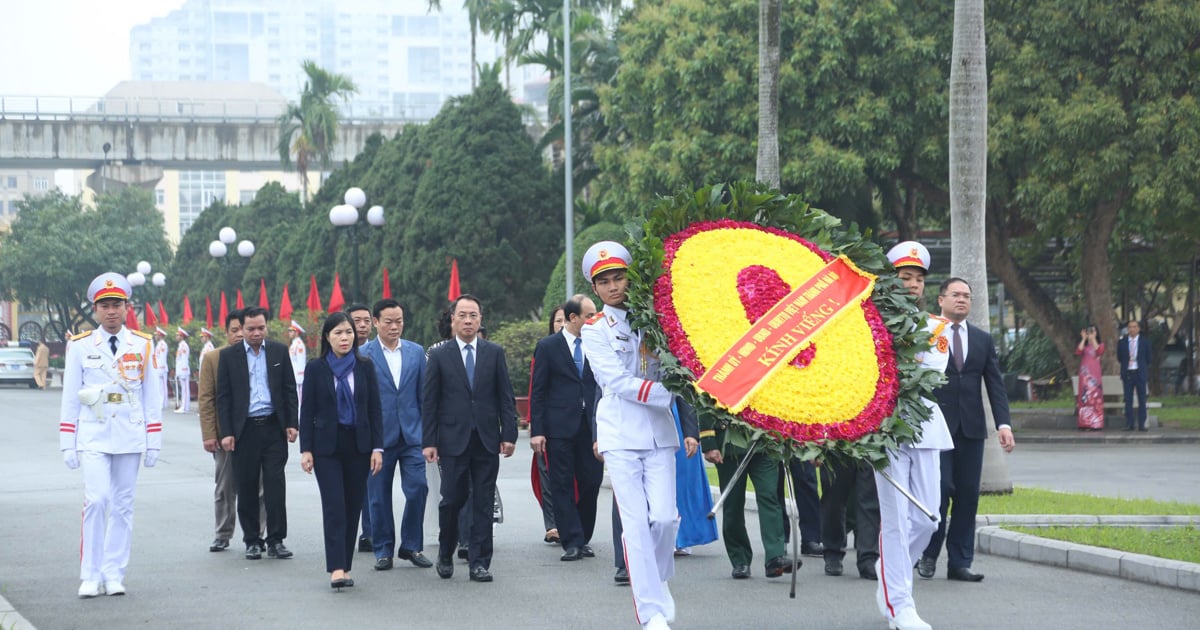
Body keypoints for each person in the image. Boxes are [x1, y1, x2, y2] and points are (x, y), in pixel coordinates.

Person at [580, 241, 679, 630]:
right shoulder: (595, 329)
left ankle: (657, 580)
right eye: (604, 281)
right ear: (595, 288)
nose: (613, 286)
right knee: (636, 524)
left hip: (658, 433)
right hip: (621, 432)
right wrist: (669, 393)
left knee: (666, 520)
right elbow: (615, 380)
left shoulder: (657, 317)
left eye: (619, 277)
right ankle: (651, 612)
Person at [59, 272, 163, 598]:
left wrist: (153, 440)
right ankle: (89, 574)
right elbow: (70, 395)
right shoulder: (79, 346)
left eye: (116, 304)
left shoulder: (143, 344)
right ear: (95, 309)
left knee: (122, 505)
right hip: (93, 434)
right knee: (97, 500)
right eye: (104, 305)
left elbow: (152, 397)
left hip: (130, 435)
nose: (111, 311)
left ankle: (113, 572)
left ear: (126, 306)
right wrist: (68, 442)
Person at [873, 241, 955, 630]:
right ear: (891, 280)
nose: (913, 284)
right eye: (905, 277)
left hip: (921, 423)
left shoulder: (937, 328)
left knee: (928, 519)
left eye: (919, 279)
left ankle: (889, 564)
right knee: (896, 521)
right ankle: (900, 606)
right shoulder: (869, 321)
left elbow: (928, 373)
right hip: (885, 430)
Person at [919, 278, 1015, 583]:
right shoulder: (927, 334)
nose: (962, 300)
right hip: (936, 428)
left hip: (971, 429)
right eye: (956, 295)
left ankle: (960, 562)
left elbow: (995, 385)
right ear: (941, 300)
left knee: (967, 496)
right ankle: (928, 554)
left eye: (967, 296)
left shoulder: (982, 340)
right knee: (940, 490)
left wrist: (1003, 424)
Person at [423, 295, 518, 583]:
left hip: (487, 439)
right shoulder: (440, 355)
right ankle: (445, 551)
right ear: (452, 319)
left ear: (480, 319)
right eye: (462, 315)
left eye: (473, 315)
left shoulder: (494, 353)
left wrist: (509, 434)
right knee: (452, 499)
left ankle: (479, 562)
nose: (467, 320)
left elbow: (505, 397)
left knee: (483, 501)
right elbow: (430, 401)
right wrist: (429, 441)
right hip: (452, 440)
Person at [299, 312, 384, 590]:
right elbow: (307, 410)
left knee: (352, 507)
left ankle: (345, 565)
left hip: (358, 446)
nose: (345, 337)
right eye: (338, 333)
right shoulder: (316, 368)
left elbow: (374, 410)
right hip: (326, 449)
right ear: (327, 337)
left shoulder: (365, 366)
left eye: (348, 332)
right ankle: (335, 568)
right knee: (334, 506)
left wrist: (377, 447)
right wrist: (306, 449)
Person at [216, 306, 299, 560]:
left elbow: (288, 389)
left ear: (267, 326)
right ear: (242, 328)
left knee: (275, 485)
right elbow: (224, 397)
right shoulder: (229, 357)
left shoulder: (278, 351)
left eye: (261, 328)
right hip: (245, 430)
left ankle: (276, 539)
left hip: (273, 427)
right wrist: (227, 432)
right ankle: (252, 539)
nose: (256, 333)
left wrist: (291, 423)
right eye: (250, 329)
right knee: (247, 486)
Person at [362, 299, 432, 571]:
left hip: (412, 435)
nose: (394, 326)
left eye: (399, 321)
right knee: (378, 497)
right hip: (378, 440)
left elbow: (424, 396)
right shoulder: (363, 354)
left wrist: (428, 434)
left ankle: (411, 546)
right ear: (375, 322)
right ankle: (383, 549)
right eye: (388, 322)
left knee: (418, 489)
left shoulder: (416, 352)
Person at [530, 295, 602, 562]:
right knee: (561, 483)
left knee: (591, 481)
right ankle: (571, 541)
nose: (594, 319)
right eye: (589, 315)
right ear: (573, 318)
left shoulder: (597, 344)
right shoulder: (548, 346)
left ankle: (584, 535)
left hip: (591, 426)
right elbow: (538, 391)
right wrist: (537, 430)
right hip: (559, 427)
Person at [198, 309, 266, 552]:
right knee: (225, 486)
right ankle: (223, 533)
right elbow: (206, 399)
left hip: (254, 430)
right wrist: (209, 434)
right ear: (226, 333)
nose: (239, 335)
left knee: (259, 486)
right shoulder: (215, 358)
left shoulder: (262, 355)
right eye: (234, 330)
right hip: (225, 433)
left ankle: (257, 534)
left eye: (243, 329)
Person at [701, 407, 789, 580]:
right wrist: (709, 442)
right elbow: (705, 396)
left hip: (765, 440)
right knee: (733, 503)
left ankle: (775, 556)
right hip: (731, 442)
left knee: (769, 496)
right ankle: (740, 559)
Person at [531, 304, 566, 546]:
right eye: (558, 321)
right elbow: (536, 390)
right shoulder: (544, 349)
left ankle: (571, 525)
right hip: (547, 425)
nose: (562, 325)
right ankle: (552, 524)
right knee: (547, 475)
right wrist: (537, 428)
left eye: (566, 320)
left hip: (575, 425)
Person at [819, 456, 880, 580]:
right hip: (836, 443)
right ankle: (832, 550)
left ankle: (868, 557)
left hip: (870, 443)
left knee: (870, 499)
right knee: (833, 496)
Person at [347, 302, 376, 552]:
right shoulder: (339, 353)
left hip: (370, 428)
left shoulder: (375, 354)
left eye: (366, 320)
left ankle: (370, 532)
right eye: (357, 321)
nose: (363, 325)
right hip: (345, 429)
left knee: (370, 482)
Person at [1117, 319, 1151, 432]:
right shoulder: (1122, 342)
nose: (1132, 329)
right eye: (1130, 327)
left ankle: (1142, 424)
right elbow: (1120, 357)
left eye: (1135, 327)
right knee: (1128, 399)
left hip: (1140, 372)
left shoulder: (1144, 341)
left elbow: (1148, 358)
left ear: (1138, 328)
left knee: (1142, 399)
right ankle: (1129, 423)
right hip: (1128, 372)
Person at [1076, 325, 1105, 431]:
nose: (1091, 333)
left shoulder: (1100, 345)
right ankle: (1084, 423)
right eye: (1089, 331)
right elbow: (1079, 351)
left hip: (1095, 376)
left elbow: (1099, 351)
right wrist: (1084, 338)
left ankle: (1096, 423)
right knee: (1084, 397)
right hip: (1085, 375)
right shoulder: (1085, 347)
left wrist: (1093, 339)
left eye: (1093, 331)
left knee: (1095, 398)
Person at [288, 321, 307, 409]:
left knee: (300, 399)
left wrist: (300, 377)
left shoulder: (299, 345)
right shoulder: (294, 344)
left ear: (296, 332)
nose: (289, 333)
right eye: (289, 331)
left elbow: (301, 361)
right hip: (293, 375)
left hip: (298, 377)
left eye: (291, 331)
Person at [174, 327, 191, 413]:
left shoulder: (183, 346)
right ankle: (185, 406)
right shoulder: (181, 345)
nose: (176, 336)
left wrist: (183, 371)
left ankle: (185, 407)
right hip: (180, 370)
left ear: (182, 336)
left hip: (183, 370)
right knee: (184, 389)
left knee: (185, 389)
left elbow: (184, 359)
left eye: (178, 335)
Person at [153, 327, 169, 409]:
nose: (155, 336)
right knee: (159, 387)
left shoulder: (163, 345)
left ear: (160, 335)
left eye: (157, 335)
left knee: (163, 387)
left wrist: (161, 368)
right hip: (158, 368)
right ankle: (160, 402)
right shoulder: (159, 345)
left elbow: (162, 358)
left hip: (161, 369)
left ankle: (163, 403)